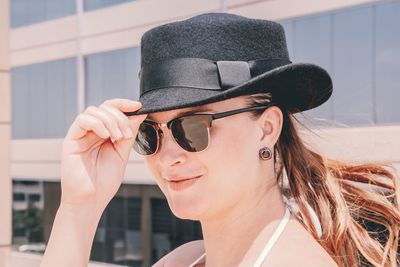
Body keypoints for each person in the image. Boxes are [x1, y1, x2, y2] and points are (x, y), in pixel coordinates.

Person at [40, 13, 399, 267]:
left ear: (267, 128)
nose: (167, 157)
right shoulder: (183, 261)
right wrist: (79, 208)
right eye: (149, 134)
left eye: (193, 127)